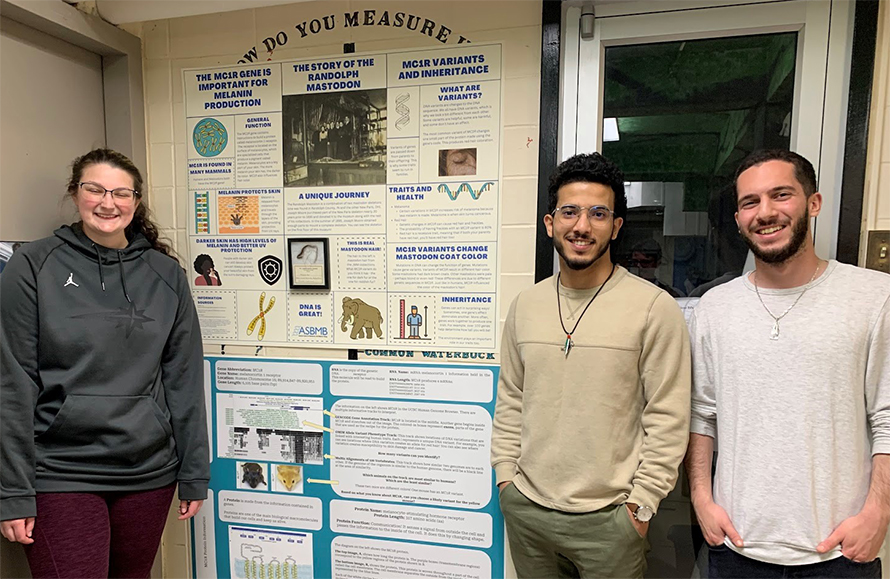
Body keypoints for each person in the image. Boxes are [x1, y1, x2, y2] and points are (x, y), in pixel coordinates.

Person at [0, 148, 210, 578]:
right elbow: (12, 381)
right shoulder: (32, 265)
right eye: (94, 189)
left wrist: (194, 473)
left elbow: (184, 378)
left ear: (136, 200)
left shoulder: (165, 275)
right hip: (60, 472)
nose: (107, 202)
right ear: (75, 194)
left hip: (148, 473)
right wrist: (13, 492)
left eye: (120, 193)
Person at [686, 149, 890, 579]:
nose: (765, 213)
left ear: (813, 203)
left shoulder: (873, 297)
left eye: (781, 195)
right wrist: (702, 500)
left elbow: (887, 417)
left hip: (838, 553)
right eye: (750, 202)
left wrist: (877, 514)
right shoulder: (714, 308)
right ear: (739, 218)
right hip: (736, 546)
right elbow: (700, 415)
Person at [491, 152, 691, 578]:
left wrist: (641, 506)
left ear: (616, 226)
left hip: (610, 521)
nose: (582, 226)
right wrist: (506, 480)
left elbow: (668, 417)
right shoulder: (525, 306)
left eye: (598, 213)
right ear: (551, 223)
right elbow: (511, 398)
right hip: (528, 510)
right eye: (570, 212)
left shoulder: (653, 309)